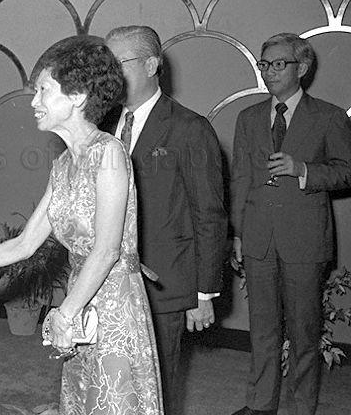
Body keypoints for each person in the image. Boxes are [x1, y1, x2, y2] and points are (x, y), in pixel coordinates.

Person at [0, 35, 163, 414]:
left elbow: (107, 250)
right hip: (80, 301)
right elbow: (25, 243)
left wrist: (65, 314)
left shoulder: (109, 153)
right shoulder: (63, 164)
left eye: (43, 90)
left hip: (113, 306)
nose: (34, 102)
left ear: (77, 96)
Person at [103, 25, 228, 413]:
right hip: (109, 280)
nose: (109, 75)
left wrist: (203, 293)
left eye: (118, 63)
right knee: (114, 385)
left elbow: (209, 214)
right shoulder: (104, 125)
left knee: (159, 388)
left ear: (152, 65)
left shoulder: (190, 128)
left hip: (164, 285)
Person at [230, 33, 351, 415]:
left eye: (279, 64)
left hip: (304, 240)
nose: (269, 72)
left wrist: (303, 170)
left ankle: (301, 408)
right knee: (262, 330)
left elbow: (346, 172)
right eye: (265, 64)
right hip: (258, 239)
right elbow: (240, 179)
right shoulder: (248, 118)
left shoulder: (329, 117)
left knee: (304, 334)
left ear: (303, 68)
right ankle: (260, 405)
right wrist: (237, 232)